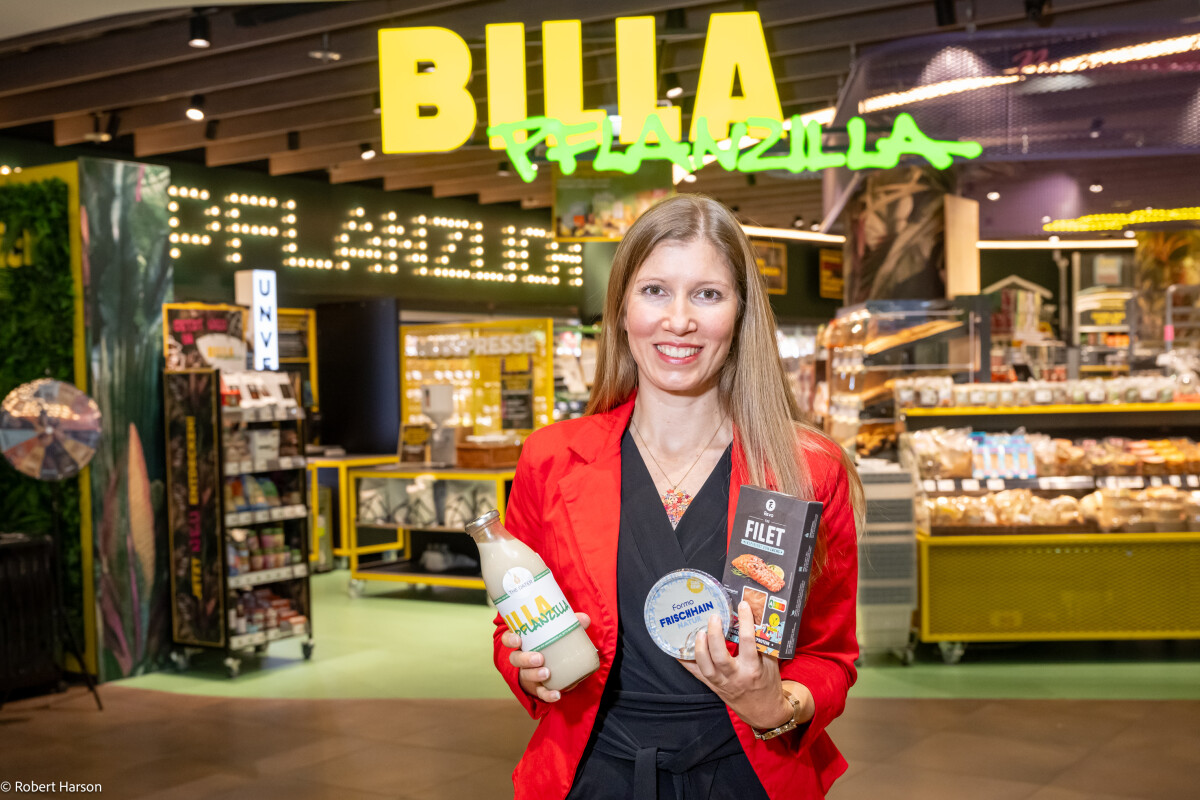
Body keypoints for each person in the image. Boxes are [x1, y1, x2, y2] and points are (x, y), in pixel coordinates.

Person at [492, 194, 864, 800]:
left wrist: (773, 703)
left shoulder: (807, 471)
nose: (680, 320)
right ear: (620, 309)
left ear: (741, 314)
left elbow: (830, 655)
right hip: (593, 775)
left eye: (708, 294)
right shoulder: (552, 459)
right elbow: (517, 622)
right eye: (656, 291)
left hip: (745, 776)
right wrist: (527, 670)